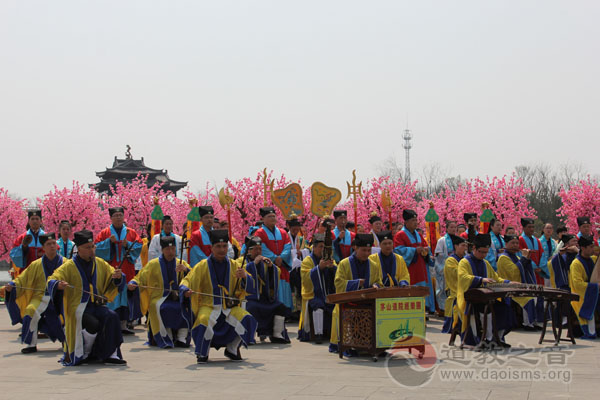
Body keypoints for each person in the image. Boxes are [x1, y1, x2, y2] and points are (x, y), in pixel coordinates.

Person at [48, 230, 127, 365]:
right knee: (93, 323)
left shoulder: (100, 263)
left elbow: (113, 278)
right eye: (87, 247)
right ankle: (86, 352)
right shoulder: (68, 266)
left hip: (95, 305)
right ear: (79, 249)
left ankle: (111, 353)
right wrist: (58, 284)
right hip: (77, 307)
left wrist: (118, 277)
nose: (91, 250)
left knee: (112, 316)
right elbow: (52, 279)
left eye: (93, 247)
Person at [180, 230, 257, 363]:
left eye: (224, 246)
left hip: (229, 307)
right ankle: (203, 351)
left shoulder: (235, 266)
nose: (222, 250)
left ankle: (232, 347)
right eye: (218, 247)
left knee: (247, 318)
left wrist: (244, 277)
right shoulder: (202, 266)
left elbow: (250, 285)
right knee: (203, 320)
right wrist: (185, 290)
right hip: (208, 305)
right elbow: (187, 280)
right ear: (211, 248)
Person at [5, 233, 66, 353]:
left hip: (62, 297)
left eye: (54, 243)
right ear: (43, 247)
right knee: (30, 310)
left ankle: (68, 341)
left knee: (68, 313)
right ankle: (31, 344)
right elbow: (22, 279)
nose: (52, 246)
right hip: (40, 297)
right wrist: (12, 286)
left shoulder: (66, 263)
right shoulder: (36, 264)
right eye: (49, 244)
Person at [128, 236, 191, 348]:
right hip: (159, 297)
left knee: (184, 307)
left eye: (173, 249)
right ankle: (167, 335)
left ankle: (182, 336)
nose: (170, 252)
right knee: (161, 308)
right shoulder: (153, 264)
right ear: (162, 250)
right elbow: (140, 277)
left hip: (178, 297)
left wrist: (186, 270)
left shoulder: (181, 263)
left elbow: (193, 277)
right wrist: (133, 283)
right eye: (167, 249)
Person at [457, 234, 514, 349]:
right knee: (484, 308)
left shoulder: (485, 263)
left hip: (485, 297)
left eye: (486, 252)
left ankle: (497, 338)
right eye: (481, 252)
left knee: (504, 307)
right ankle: (482, 339)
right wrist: (480, 279)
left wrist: (509, 283)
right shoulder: (464, 262)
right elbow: (463, 277)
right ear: (473, 249)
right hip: (469, 298)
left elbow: (496, 279)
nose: (483, 255)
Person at [330, 234, 383, 354]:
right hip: (348, 303)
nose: (366, 253)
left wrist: (377, 286)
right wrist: (356, 283)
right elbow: (338, 283)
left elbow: (379, 282)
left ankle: (373, 344)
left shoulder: (373, 265)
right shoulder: (344, 263)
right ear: (355, 248)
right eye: (363, 250)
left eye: (369, 250)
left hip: (368, 302)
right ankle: (350, 345)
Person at [95, 206, 143, 334]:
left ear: (123, 217)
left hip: (127, 267)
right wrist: (108, 243)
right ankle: (112, 324)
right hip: (111, 268)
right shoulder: (104, 233)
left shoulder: (131, 232)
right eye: (115, 215)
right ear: (111, 218)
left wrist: (127, 245)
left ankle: (124, 324)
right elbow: (96, 248)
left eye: (120, 215)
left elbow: (139, 245)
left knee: (126, 295)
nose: (118, 218)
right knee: (113, 294)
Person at [244, 236, 291, 344]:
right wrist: (253, 264)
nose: (258, 251)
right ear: (249, 250)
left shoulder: (264, 262)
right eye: (255, 249)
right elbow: (241, 277)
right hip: (249, 297)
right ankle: (250, 336)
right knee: (252, 307)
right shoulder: (241, 261)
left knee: (280, 306)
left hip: (264, 297)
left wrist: (271, 268)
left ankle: (276, 334)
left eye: (260, 249)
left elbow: (275, 275)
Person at [394, 209, 435, 312]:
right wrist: (414, 250)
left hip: (421, 267)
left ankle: (424, 309)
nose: (415, 222)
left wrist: (426, 251)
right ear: (406, 222)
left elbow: (426, 247)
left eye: (416, 220)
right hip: (410, 268)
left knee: (423, 289)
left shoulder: (418, 235)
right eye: (413, 220)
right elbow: (398, 251)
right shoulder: (400, 235)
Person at [298, 233, 336, 344]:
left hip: (328, 293)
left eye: (325, 247)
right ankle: (318, 334)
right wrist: (319, 268)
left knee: (336, 304)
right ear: (313, 247)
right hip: (313, 294)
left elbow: (338, 275)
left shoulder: (330, 259)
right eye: (320, 247)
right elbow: (305, 278)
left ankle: (332, 332)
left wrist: (332, 268)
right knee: (318, 305)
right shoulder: (308, 260)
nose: (322, 249)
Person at [254, 207, 293, 312]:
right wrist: (274, 258)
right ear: (263, 219)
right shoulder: (259, 233)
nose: (272, 218)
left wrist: (281, 257)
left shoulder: (283, 232)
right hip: (268, 266)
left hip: (282, 266)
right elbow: (261, 248)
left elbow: (288, 246)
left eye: (273, 216)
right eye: (269, 216)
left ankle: (285, 310)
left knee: (284, 287)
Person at [497, 235, 539, 330]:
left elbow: (523, 268)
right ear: (506, 244)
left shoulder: (515, 256)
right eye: (512, 243)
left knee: (535, 295)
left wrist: (527, 258)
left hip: (518, 284)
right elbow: (514, 272)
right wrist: (524, 258)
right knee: (528, 298)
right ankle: (527, 323)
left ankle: (532, 321)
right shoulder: (503, 257)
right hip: (508, 286)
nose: (515, 245)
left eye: (516, 243)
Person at [569, 236, 600, 339]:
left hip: (593, 291)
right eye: (591, 247)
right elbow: (577, 285)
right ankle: (590, 332)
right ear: (583, 248)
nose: (593, 249)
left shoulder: (593, 259)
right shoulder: (576, 264)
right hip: (582, 296)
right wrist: (596, 286)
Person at [518, 218, 547, 328]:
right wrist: (533, 267)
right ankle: (527, 321)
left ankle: (535, 320)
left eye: (532, 227)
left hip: (538, 273)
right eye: (529, 227)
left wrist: (541, 267)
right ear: (524, 228)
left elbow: (542, 255)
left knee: (538, 297)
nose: (531, 229)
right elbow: (522, 255)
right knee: (529, 297)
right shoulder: (520, 239)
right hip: (528, 271)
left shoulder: (537, 240)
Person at [442, 235, 467, 335]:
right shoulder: (450, 260)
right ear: (456, 246)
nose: (465, 248)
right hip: (455, 291)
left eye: (465, 246)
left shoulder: (465, 259)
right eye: (462, 245)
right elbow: (457, 274)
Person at [10, 209, 45, 273]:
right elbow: (14, 255)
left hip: (43, 271)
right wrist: (23, 247)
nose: (35, 221)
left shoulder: (46, 236)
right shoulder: (22, 237)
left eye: (37, 219)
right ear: (28, 221)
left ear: (41, 221)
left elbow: (55, 252)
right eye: (32, 219)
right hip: (26, 271)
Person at [434, 220, 458, 315]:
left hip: (455, 268)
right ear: (447, 228)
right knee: (443, 289)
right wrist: (449, 257)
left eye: (454, 227)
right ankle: (442, 309)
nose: (453, 229)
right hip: (444, 267)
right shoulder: (442, 240)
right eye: (451, 227)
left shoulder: (458, 239)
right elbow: (438, 254)